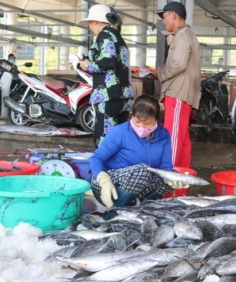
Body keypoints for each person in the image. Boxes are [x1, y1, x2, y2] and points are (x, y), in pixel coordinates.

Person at [90, 95, 185, 218]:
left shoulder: (163, 135)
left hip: (138, 185)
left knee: (167, 177)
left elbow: (166, 168)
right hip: (107, 185)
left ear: (157, 120)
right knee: (143, 170)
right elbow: (96, 158)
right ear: (132, 115)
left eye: (147, 123)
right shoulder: (120, 132)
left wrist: (174, 178)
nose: (141, 127)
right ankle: (113, 214)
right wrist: (104, 179)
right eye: (137, 121)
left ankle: (139, 210)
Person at [78, 4, 133, 148]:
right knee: (122, 137)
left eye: (90, 22)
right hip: (123, 95)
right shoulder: (118, 37)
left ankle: (105, 169)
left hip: (108, 94)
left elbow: (108, 61)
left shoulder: (104, 35)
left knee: (104, 138)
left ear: (95, 21)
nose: (89, 26)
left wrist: (87, 65)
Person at [153, 2, 200, 168]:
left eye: (164, 17)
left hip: (178, 93)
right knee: (183, 141)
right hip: (183, 94)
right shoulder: (185, 35)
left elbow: (177, 64)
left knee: (172, 138)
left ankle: (168, 183)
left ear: (173, 15)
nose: (164, 21)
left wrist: (159, 73)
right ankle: (181, 182)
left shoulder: (182, 36)